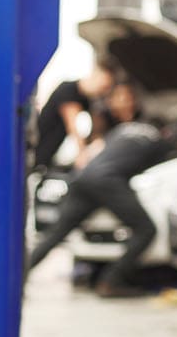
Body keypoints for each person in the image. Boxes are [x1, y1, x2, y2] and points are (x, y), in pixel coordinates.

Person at [25, 76, 169, 296]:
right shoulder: (159, 141)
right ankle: (111, 281)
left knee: (56, 233)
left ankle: (19, 277)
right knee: (146, 229)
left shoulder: (120, 132)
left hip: (83, 178)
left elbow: (95, 149)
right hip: (108, 181)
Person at [31, 61, 111, 173]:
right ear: (95, 75)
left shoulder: (87, 100)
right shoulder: (68, 89)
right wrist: (82, 154)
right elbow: (73, 126)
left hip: (51, 151)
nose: (102, 92)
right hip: (39, 147)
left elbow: (96, 127)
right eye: (103, 86)